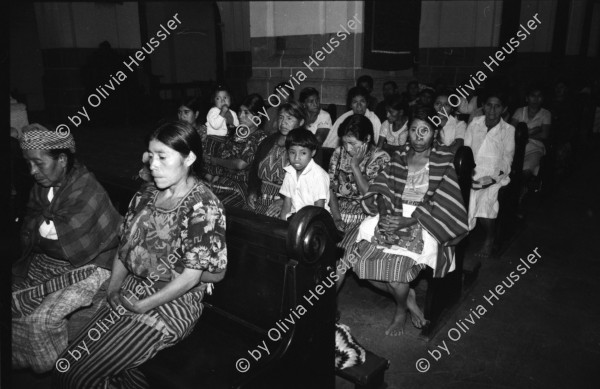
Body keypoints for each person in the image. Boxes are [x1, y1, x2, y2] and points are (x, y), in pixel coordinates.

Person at [53, 121, 227, 388]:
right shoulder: (145, 196)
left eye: (162, 157)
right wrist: (113, 288)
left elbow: (192, 277)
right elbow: (125, 250)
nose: (152, 165)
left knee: (77, 376)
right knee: (67, 364)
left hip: (172, 304)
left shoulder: (203, 205)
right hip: (130, 290)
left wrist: (145, 305)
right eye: (151, 155)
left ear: (189, 157)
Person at [338, 107, 468, 336]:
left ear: (434, 133)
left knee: (395, 276)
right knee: (357, 263)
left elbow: (444, 203)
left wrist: (407, 222)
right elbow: (380, 192)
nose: (419, 135)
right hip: (393, 212)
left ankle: (400, 311)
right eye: (414, 130)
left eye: (424, 130)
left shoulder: (442, 161)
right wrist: (387, 213)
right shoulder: (398, 158)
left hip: (425, 221)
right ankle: (408, 299)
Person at [12, 124, 121, 373]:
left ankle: (61, 369)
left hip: (93, 264)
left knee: (42, 320)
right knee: (15, 305)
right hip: (50, 262)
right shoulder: (42, 188)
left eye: (38, 163)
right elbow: (32, 229)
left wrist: (41, 234)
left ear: (61, 159)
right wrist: (43, 234)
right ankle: (29, 362)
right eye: (28, 164)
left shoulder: (86, 189)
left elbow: (68, 247)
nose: (32, 171)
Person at [465, 90, 515, 257]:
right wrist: (468, 174)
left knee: (485, 199)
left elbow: (507, 160)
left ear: (504, 109)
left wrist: (492, 179)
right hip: (472, 170)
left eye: (497, 106)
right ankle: (460, 237)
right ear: (483, 106)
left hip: (494, 174)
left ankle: (490, 238)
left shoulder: (507, 130)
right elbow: (466, 150)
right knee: (462, 194)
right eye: (489, 105)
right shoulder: (474, 123)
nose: (492, 110)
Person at [329, 114, 390, 244]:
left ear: (367, 138)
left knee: (347, 246)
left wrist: (355, 166)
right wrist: (336, 218)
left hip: (365, 215)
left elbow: (370, 197)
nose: (347, 148)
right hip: (337, 211)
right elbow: (331, 188)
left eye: (352, 143)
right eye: (344, 142)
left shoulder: (380, 158)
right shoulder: (338, 153)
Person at [204, 94, 269, 207]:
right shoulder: (236, 133)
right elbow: (222, 153)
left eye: (246, 112)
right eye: (240, 111)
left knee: (211, 203)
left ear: (258, 115)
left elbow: (240, 164)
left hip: (241, 185)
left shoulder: (260, 137)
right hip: (223, 181)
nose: (240, 116)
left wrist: (214, 160)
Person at [247, 101, 307, 216]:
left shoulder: (306, 146)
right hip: (260, 197)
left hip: (288, 204)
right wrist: (252, 190)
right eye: (281, 117)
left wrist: (285, 200)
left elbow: (308, 181)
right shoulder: (268, 141)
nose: (283, 122)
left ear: (301, 122)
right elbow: (254, 169)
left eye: (289, 118)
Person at [510, 85, 551, 198]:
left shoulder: (546, 114)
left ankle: (519, 197)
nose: (536, 99)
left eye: (539, 96)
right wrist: (534, 130)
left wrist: (523, 132)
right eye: (533, 96)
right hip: (516, 145)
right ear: (527, 98)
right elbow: (512, 130)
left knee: (526, 170)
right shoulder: (519, 111)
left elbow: (544, 134)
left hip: (535, 147)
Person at [279, 128, 330, 220]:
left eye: (303, 153)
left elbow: (318, 210)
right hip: (296, 218)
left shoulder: (318, 175)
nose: (297, 158)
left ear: (313, 152)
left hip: (316, 221)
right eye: (292, 152)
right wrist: (282, 225)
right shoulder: (289, 173)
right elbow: (287, 204)